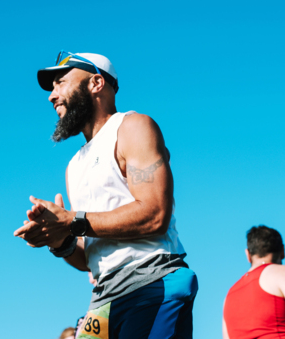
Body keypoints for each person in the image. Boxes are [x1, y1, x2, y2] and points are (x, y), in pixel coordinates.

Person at [14, 51, 198, 338]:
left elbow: (154, 215)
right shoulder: (74, 165)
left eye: (60, 82)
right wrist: (59, 240)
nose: (52, 96)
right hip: (102, 298)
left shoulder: (133, 127)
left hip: (150, 282)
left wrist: (72, 221)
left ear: (96, 83)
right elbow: (89, 257)